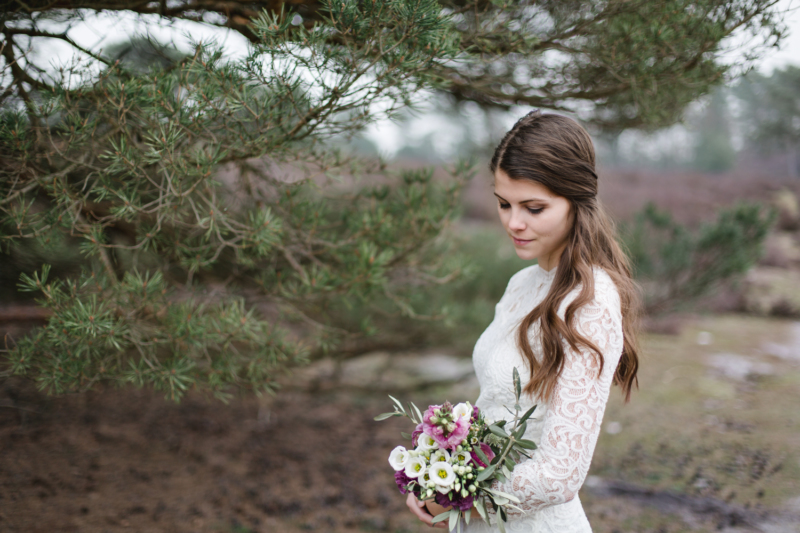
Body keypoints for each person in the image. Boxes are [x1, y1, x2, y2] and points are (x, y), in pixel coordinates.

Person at [406, 110, 641, 532]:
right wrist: (433, 471)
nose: (514, 223)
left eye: (534, 208)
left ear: (576, 200)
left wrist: (462, 498)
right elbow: (493, 406)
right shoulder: (521, 283)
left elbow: (561, 474)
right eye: (503, 204)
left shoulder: (590, 302)